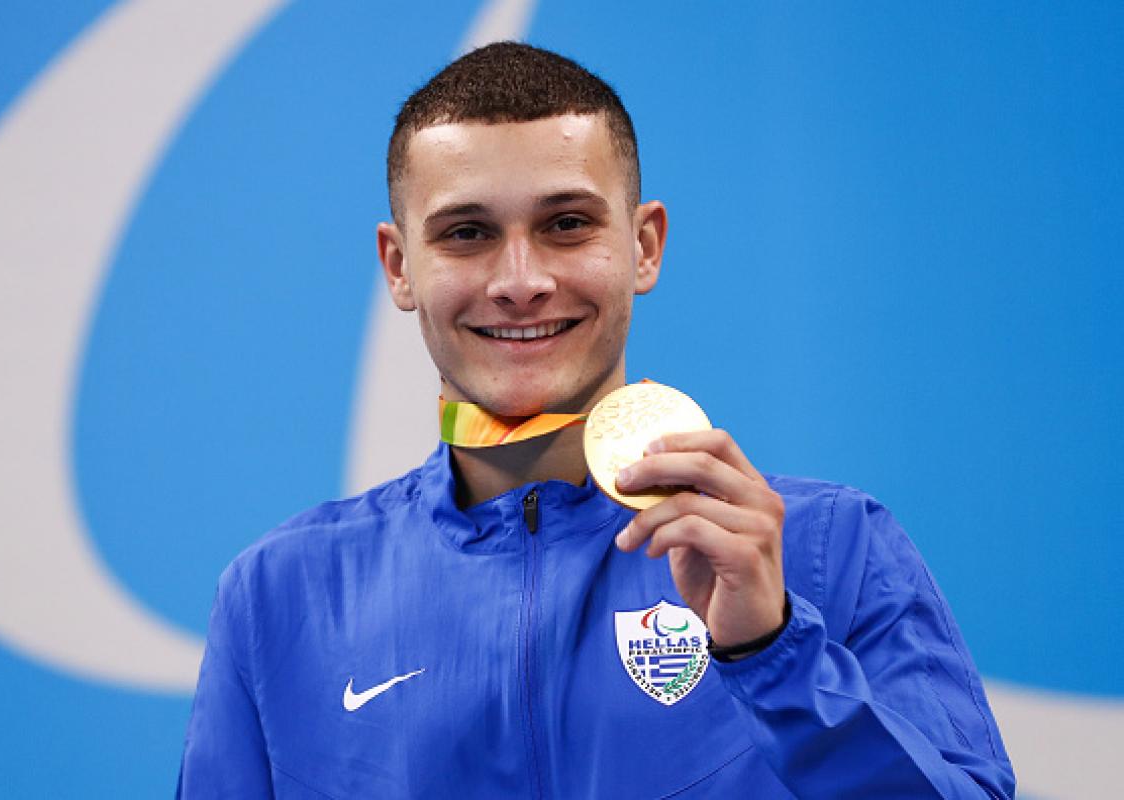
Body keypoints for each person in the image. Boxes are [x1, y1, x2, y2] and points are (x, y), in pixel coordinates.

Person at [178, 42, 1014, 798]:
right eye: (467, 233)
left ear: (644, 245)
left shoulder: (830, 549)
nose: (521, 279)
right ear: (400, 267)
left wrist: (775, 652)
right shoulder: (283, 596)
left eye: (566, 225)